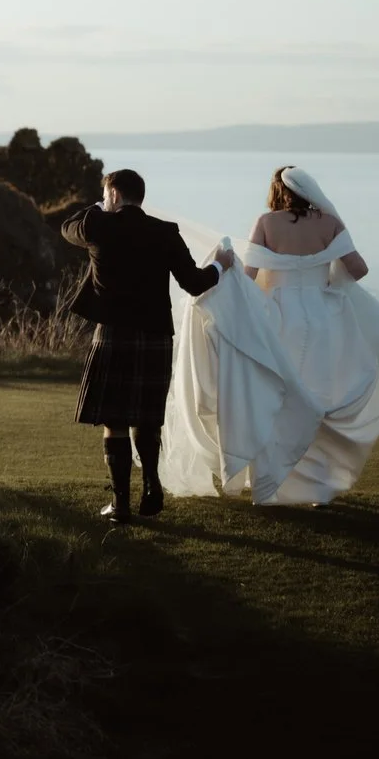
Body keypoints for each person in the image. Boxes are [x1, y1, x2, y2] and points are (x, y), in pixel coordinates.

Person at [161, 166, 379, 506]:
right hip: (324, 319)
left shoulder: (266, 223)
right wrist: (326, 268)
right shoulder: (330, 223)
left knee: (276, 397)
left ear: (277, 191)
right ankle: (316, 486)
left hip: (277, 318)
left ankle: (269, 481)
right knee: (317, 397)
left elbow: (248, 275)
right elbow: (359, 270)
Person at [61, 169, 226, 525]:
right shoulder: (164, 232)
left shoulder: (97, 226)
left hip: (113, 334)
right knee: (147, 418)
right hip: (154, 335)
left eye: (106, 194)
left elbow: (68, 227)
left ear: (115, 194)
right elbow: (195, 283)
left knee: (115, 420)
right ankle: (152, 484)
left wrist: (97, 207)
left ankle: (120, 505)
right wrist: (219, 266)